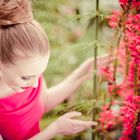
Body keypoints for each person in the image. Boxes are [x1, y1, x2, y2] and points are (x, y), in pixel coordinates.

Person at [0, 0, 114, 140]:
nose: (35, 84)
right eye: (26, 77)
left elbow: (44, 102)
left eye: (40, 74)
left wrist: (83, 73)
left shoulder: (29, 76)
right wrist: (55, 129)